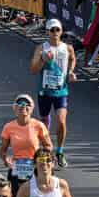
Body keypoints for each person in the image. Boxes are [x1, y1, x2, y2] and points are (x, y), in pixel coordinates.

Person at [31, 20, 75, 167]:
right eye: (52, 30)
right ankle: (46, 148)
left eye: (57, 30)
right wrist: (42, 60)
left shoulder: (67, 48)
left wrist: (70, 72)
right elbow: (33, 70)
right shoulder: (41, 48)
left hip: (61, 91)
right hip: (44, 91)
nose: (55, 33)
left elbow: (73, 59)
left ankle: (60, 151)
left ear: (61, 31)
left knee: (62, 121)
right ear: (47, 32)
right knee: (44, 121)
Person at [0, 94, 53, 196]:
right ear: (15, 108)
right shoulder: (8, 127)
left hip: (35, 166)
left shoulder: (38, 125)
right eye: (20, 104)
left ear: (32, 109)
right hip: (16, 167)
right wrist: (6, 160)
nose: (23, 106)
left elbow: (48, 146)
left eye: (27, 104)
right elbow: (2, 151)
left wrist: (41, 159)